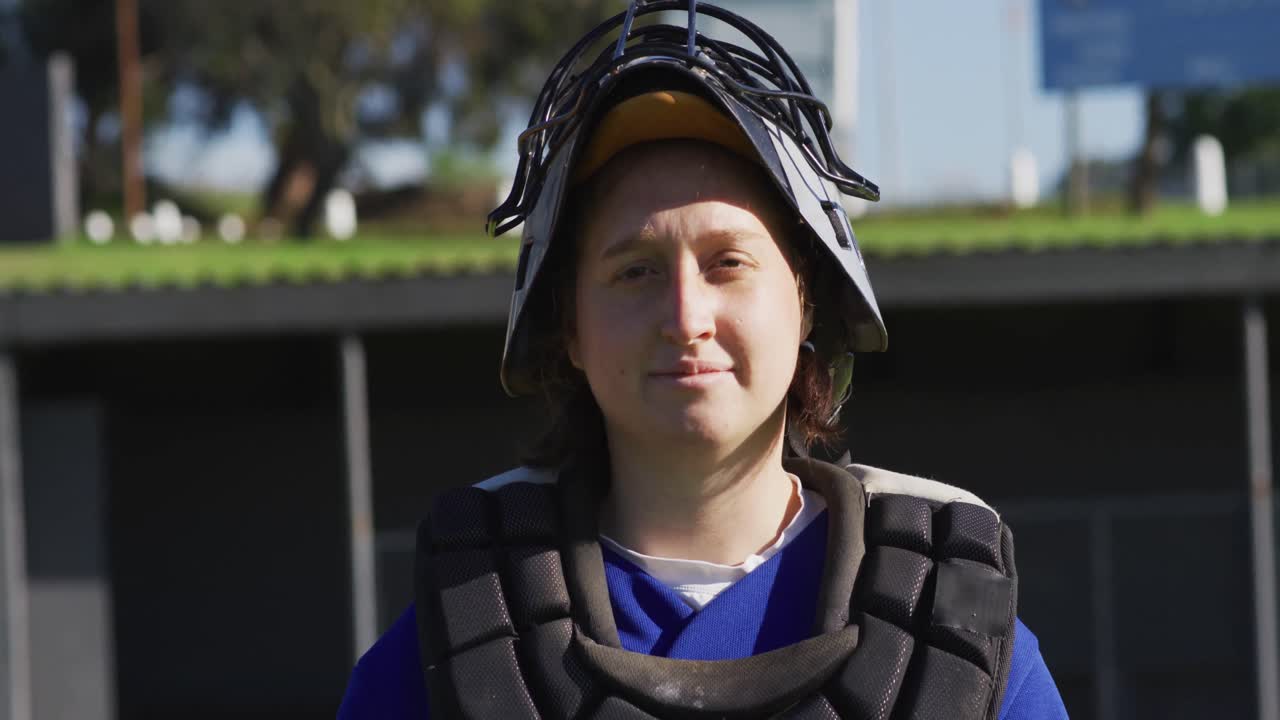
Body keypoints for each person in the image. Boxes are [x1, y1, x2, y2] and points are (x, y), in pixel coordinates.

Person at [340, 2, 1068, 718]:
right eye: (636, 271)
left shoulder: (954, 636)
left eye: (727, 263)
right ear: (568, 326)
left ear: (805, 298)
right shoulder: (453, 642)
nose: (686, 319)